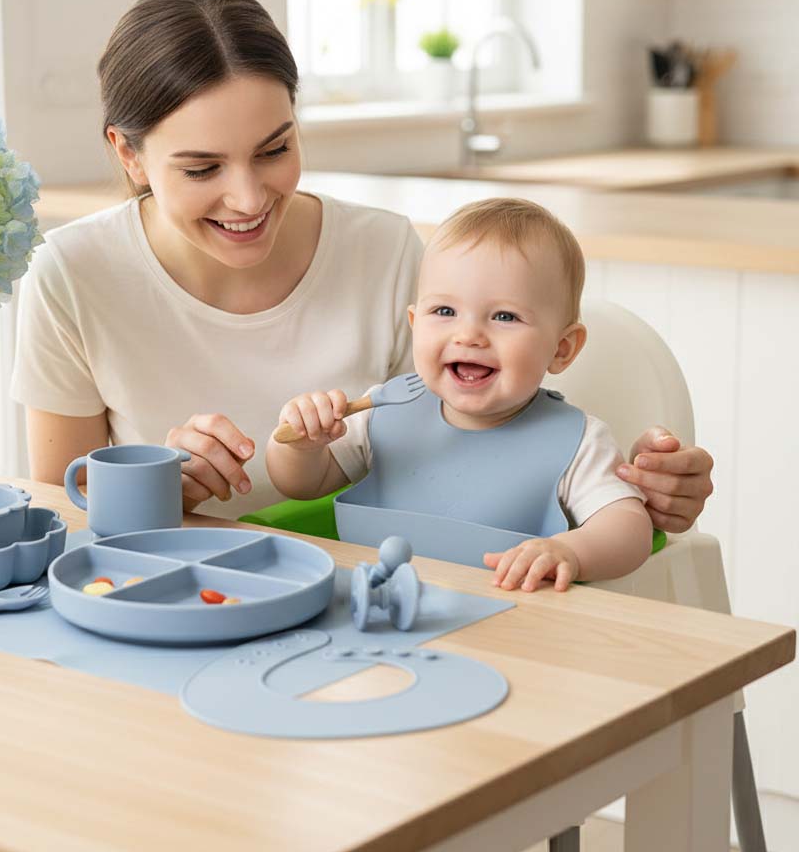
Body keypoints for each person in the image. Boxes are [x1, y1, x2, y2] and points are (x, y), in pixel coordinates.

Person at [10, 0, 714, 536]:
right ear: (127, 154)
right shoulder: (74, 276)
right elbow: (60, 503)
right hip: (174, 593)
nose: (249, 198)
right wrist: (155, 482)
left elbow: (493, 456)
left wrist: (647, 497)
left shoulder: (387, 253)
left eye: (275, 149)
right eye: (201, 170)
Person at [267, 197, 655, 594]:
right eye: (445, 311)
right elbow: (301, 485)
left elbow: (629, 529)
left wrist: (570, 551)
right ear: (415, 325)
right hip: (374, 612)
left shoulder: (578, 441)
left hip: (509, 627)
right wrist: (303, 446)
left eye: (504, 316)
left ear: (562, 348)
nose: (468, 335)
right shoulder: (381, 412)